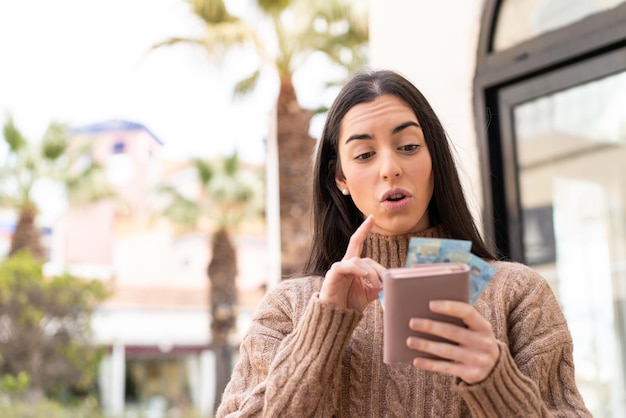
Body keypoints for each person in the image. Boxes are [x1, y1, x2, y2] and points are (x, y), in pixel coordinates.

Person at [216, 69, 591, 417]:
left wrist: (496, 379)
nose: (389, 168)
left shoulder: (518, 293)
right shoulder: (290, 307)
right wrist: (325, 326)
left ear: (435, 158)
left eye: (408, 146)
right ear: (339, 179)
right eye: (364, 154)